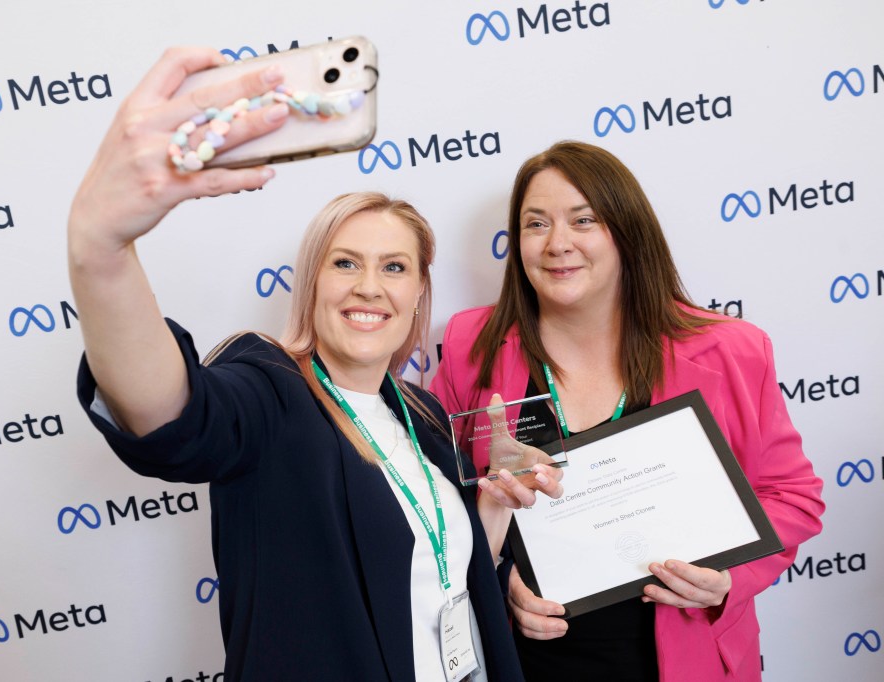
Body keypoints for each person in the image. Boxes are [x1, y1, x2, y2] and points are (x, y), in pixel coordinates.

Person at [67, 47, 555, 682]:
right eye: (345, 262)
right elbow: (167, 416)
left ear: (416, 298)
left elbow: (437, 582)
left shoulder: (423, 416)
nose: (369, 287)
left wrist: (493, 506)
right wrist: (101, 248)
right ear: (313, 284)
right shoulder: (270, 390)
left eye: (395, 268)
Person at [430, 141, 825, 681]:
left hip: (681, 657)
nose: (558, 244)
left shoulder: (731, 350)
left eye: (583, 220)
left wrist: (728, 577)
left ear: (626, 231)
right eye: (536, 224)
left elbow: (792, 498)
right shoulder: (471, 344)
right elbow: (435, 511)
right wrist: (497, 585)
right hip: (527, 662)